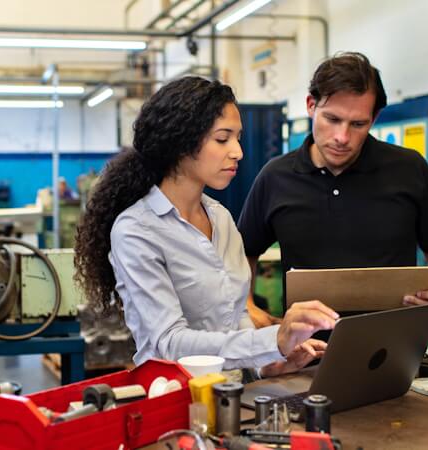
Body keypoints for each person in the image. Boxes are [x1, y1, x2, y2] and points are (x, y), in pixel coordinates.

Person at [74, 76, 339, 377]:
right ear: (180, 143)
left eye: (238, 138)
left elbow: (236, 316)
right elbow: (167, 344)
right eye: (222, 138)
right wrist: (272, 340)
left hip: (238, 396)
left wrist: (270, 364)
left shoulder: (221, 219)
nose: (238, 151)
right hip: (176, 402)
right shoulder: (137, 231)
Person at [238, 52, 428, 328]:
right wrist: (247, 306)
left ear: (375, 117)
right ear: (311, 105)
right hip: (302, 353)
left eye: (358, 124)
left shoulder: (409, 169)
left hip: (395, 348)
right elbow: (242, 254)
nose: (342, 138)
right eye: (332, 119)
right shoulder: (275, 177)